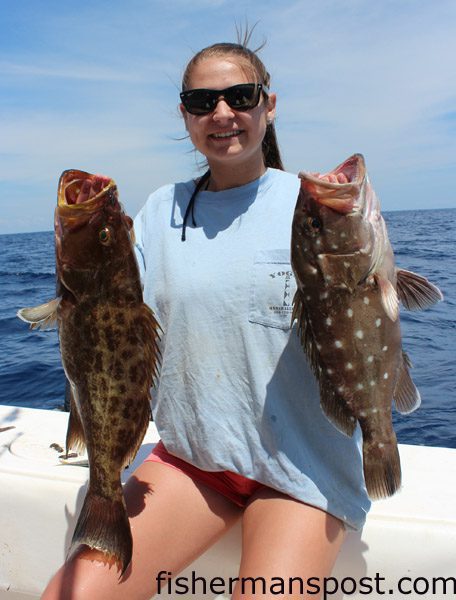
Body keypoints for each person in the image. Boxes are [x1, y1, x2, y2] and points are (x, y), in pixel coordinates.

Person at [42, 38, 370, 600]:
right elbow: (107, 313)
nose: (222, 113)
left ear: (269, 105)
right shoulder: (161, 210)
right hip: (193, 460)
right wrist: (77, 244)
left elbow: (367, 317)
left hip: (303, 471)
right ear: (185, 115)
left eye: (240, 96)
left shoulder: (319, 207)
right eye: (202, 101)